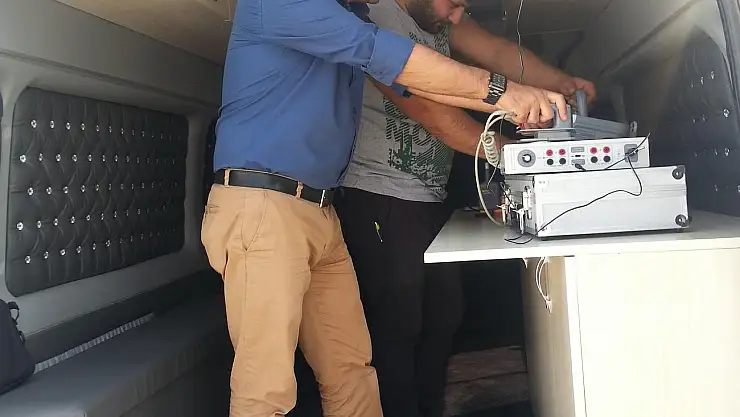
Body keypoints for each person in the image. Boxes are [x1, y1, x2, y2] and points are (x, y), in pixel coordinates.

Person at [200, 0, 569, 415]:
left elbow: (415, 83)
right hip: (264, 205)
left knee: (352, 371)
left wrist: (511, 103)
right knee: (266, 389)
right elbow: (389, 56)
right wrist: (503, 92)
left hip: (321, 209)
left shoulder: (348, 16)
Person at [333, 1, 597, 417]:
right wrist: (517, 154)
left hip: (429, 197)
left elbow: (498, 52)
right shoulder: (375, 19)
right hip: (378, 194)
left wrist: (563, 83)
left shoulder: (437, 14)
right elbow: (432, 113)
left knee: (443, 318)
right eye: (454, 3)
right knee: (396, 327)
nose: (458, 15)